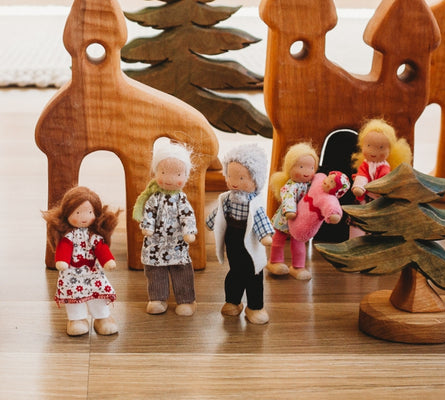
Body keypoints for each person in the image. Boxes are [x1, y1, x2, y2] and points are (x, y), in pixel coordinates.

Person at [206, 143, 274, 325]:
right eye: (230, 176)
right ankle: (233, 301)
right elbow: (219, 212)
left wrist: (265, 235)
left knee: (254, 274)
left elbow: (260, 218)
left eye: (242, 178)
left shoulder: (255, 202)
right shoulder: (227, 198)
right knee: (235, 271)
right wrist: (210, 223)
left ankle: (255, 307)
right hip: (232, 238)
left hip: (250, 239)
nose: (234, 182)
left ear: (256, 180)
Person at [43, 186, 120, 336]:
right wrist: (62, 261)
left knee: (97, 293)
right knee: (73, 296)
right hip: (72, 274)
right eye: (77, 213)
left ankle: (103, 317)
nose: (83, 217)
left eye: (90, 212)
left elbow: (101, 249)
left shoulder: (94, 236)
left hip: (93, 273)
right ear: (67, 213)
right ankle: (77, 319)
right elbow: (64, 248)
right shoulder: (68, 237)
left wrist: (108, 260)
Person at [133, 140, 197, 316]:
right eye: (163, 173)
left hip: (177, 243)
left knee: (181, 270)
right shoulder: (154, 198)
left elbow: (187, 215)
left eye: (177, 174)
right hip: (156, 243)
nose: (169, 179)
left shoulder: (181, 199)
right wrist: (147, 226)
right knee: (155, 271)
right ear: (156, 172)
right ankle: (157, 299)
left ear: (185, 175)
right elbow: (149, 212)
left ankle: (186, 300)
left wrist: (189, 231)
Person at [268, 142, 319, 280]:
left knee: (298, 242)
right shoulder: (290, 186)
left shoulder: (310, 185)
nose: (306, 171)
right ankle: (275, 262)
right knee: (278, 239)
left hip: (300, 221)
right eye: (301, 167)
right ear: (289, 168)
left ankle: (298, 266)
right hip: (285, 218)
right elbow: (288, 197)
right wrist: (290, 210)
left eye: (311, 167)